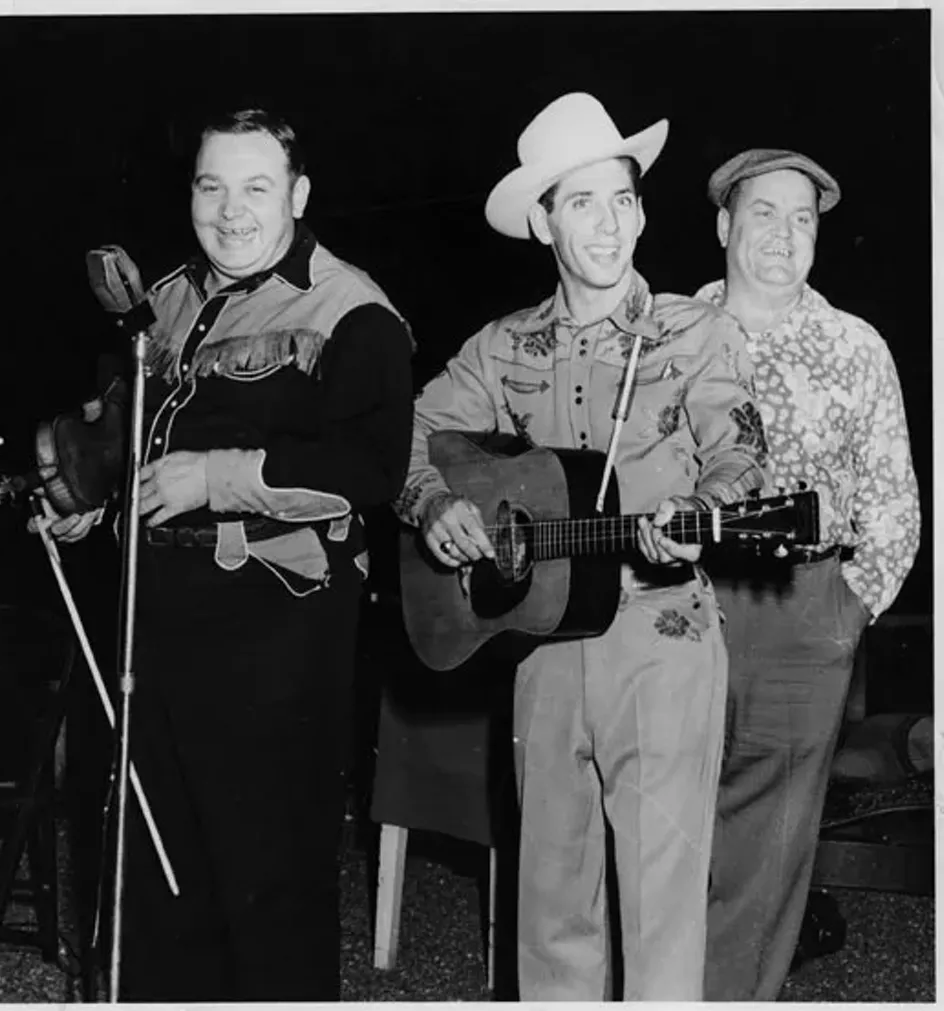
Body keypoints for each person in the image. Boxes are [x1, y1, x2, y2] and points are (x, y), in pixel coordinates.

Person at [395, 92, 770, 1001]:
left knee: (661, 910)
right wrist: (434, 500)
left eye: (624, 199)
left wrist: (701, 509)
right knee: (551, 905)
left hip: (662, 635)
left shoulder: (697, 331)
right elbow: (409, 431)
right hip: (542, 645)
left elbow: (745, 456)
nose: (610, 224)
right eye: (583, 202)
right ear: (543, 220)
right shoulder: (500, 347)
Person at [44, 107, 414, 1001]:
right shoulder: (166, 298)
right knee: (157, 869)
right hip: (156, 624)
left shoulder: (353, 310)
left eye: (256, 187)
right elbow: (130, 448)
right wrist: (87, 508)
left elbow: (368, 468)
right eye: (212, 186)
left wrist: (217, 475)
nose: (232, 209)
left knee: (266, 877)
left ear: (298, 193)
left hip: (274, 638)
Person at [697, 148, 921, 1000]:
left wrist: (845, 613)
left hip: (803, 611)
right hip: (674, 600)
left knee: (771, 848)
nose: (783, 236)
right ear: (724, 225)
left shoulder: (854, 346)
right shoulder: (669, 329)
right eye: (764, 213)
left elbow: (894, 499)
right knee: (668, 828)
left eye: (803, 219)